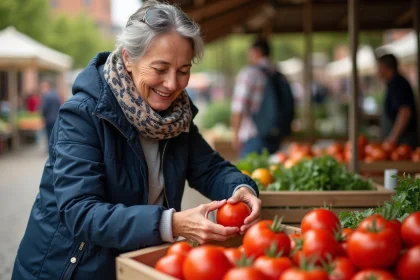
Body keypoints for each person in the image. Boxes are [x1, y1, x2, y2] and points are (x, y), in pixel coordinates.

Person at [12, 1, 261, 279]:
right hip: (68, 269)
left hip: (136, 262)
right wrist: (171, 223)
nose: (172, 84)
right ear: (129, 58)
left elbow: (210, 168)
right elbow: (80, 212)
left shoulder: (177, 117)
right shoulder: (81, 114)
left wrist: (241, 187)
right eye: (160, 68)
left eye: (183, 71)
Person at [231, 38, 294, 158]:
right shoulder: (278, 73)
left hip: (254, 136)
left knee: (248, 174)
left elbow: (239, 107)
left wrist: (236, 135)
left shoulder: (249, 74)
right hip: (277, 135)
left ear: (256, 51)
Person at [377, 54, 418, 148]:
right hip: (399, 141)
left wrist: (392, 138)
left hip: (404, 142)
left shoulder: (398, 84)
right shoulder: (393, 84)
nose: (378, 71)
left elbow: (405, 111)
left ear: (385, 67)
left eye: (379, 67)